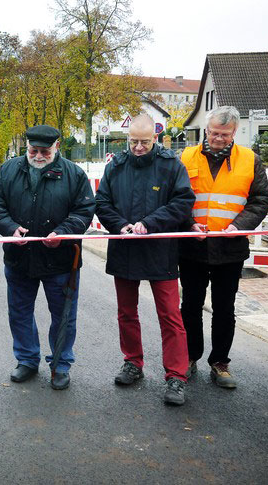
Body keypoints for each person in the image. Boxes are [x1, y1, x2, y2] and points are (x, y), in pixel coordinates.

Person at [95, 114, 195, 405]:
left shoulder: (171, 165)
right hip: (125, 249)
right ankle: (133, 363)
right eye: (133, 142)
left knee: (170, 316)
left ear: (156, 138)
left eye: (144, 142)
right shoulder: (116, 166)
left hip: (160, 250)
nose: (138, 147)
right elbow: (102, 202)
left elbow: (183, 202)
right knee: (127, 312)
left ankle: (176, 376)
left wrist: (150, 223)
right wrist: (121, 225)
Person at [0, 125, 95, 390]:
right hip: (18, 257)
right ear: (27, 148)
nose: (37, 156)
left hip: (60, 260)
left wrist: (64, 232)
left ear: (57, 147)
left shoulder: (74, 174)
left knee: (63, 316)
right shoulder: (10, 169)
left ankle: (60, 364)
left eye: (44, 151)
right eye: (33, 150)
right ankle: (26, 359)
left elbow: (84, 210)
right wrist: (10, 228)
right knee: (20, 312)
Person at [179, 106, 268, 388]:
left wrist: (240, 225)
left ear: (235, 133)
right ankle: (190, 357)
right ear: (206, 130)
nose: (218, 138)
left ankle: (220, 362)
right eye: (213, 133)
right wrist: (188, 223)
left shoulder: (249, 159)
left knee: (224, 308)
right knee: (190, 305)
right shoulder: (185, 156)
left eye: (224, 134)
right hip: (193, 246)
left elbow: (261, 198)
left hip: (230, 249)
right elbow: (174, 197)